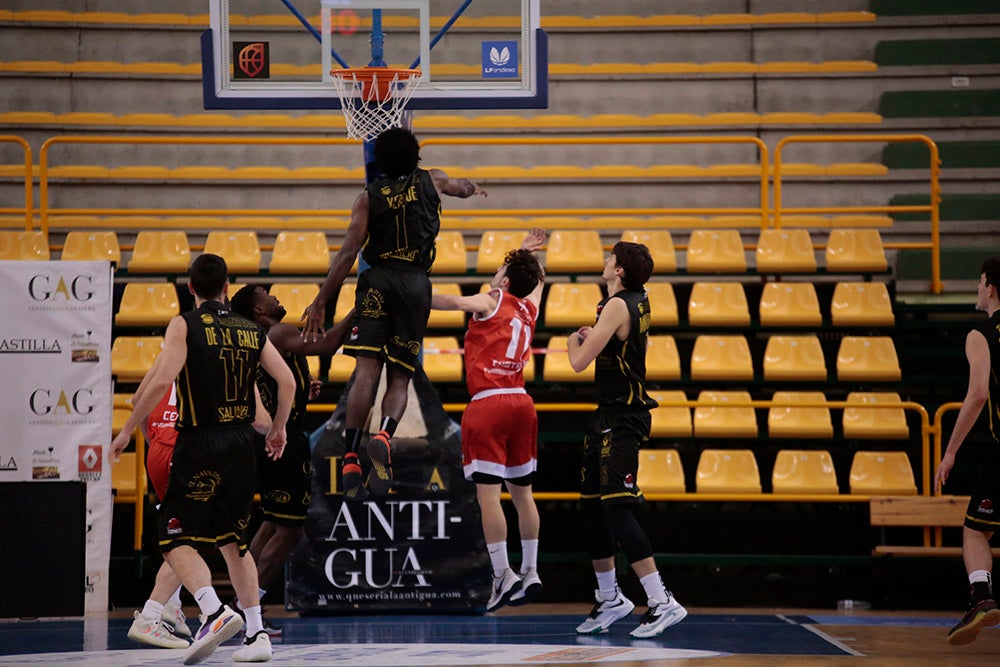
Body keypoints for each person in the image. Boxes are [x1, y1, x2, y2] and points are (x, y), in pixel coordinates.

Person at [111, 253, 295, 665]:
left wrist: (126, 430)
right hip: (242, 446)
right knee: (236, 543)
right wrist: (280, 428)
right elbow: (287, 380)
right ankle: (257, 634)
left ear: (190, 289)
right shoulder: (250, 329)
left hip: (199, 443)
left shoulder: (184, 325)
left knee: (174, 537)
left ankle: (212, 611)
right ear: (227, 287)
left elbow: (160, 379)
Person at [301, 126, 486, 500]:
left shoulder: (367, 198)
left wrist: (322, 298)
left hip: (378, 282)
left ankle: (352, 454)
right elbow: (461, 187)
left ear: (378, 161)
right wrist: (472, 188)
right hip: (416, 286)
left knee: (365, 371)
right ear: (416, 156)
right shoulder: (433, 181)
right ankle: (385, 433)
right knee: (400, 376)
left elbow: (348, 253)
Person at [565, 241, 687, 639]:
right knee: (591, 509)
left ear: (619, 271)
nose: (604, 261)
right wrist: (598, 333)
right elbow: (625, 342)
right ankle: (610, 598)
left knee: (618, 508)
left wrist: (574, 340)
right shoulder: (633, 300)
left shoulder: (618, 305)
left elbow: (579, 363)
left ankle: (661, 600)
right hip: (608, 413)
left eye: (610, 258)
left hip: (623, 416)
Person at [430, 228, 546, 612]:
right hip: (522, 402)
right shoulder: (530, 307)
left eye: (501, 271)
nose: (495, 274)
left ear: (506, 280)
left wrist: (412, 294)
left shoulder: (491, 299)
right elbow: (536, 282)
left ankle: (502, 574)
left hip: (489, 402)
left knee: (488, 497)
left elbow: (451, 301)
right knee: (523, 495)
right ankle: (530, 570)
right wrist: (529, 256)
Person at [230, 284, 354, 634]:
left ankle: (243, 602)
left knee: (270, 521)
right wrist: (359, 310)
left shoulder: (251, 336)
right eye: (264, 294)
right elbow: (327, 344)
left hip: (261, 438)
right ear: (257, 310)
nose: (274, 296)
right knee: (289, 529)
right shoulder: (279, 331)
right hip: (284, 439)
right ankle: (249, 604)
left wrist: (301, 388)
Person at [124, 374, 271, 649]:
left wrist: (154, 439)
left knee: (184, 538)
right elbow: (262, 420)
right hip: (195, 452)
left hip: (162, 450)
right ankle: (159, 614)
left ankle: (170, 607)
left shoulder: (171, 353)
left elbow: (137, 400)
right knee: (202, 541)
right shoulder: (223, 354)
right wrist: (278, 429)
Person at [934, 255, 1000, 645]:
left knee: (976, 532)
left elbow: (977, 394)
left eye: (979, 282)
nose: (977, 288)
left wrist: (950, 451)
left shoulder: (981, 334)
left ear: (990, 287)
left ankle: (981, 597)